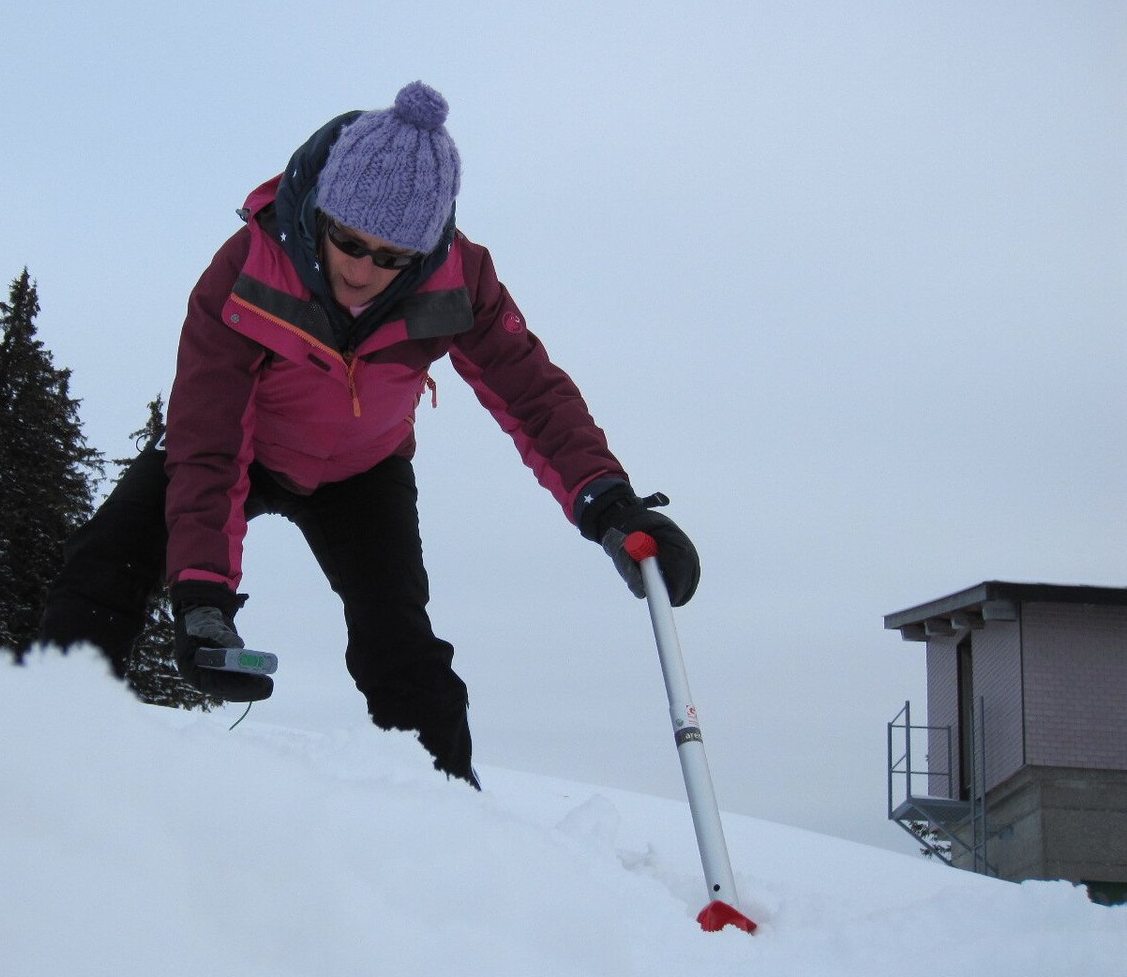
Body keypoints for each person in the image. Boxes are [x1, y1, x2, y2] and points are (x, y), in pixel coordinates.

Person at [39, 81, 699, 786]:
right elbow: (206, 439)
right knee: (99, 568)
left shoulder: (460, 282)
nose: (362, 269)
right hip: (243, 446)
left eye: (391, 259)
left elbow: (533, 394)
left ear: (424, 252)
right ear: (320, 215)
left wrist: (609, 503)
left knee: (401, 649)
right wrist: (204, 598)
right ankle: (47, 755)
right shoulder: (245, 274)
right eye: (348, 242)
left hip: (363, 471)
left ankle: (448, 822)